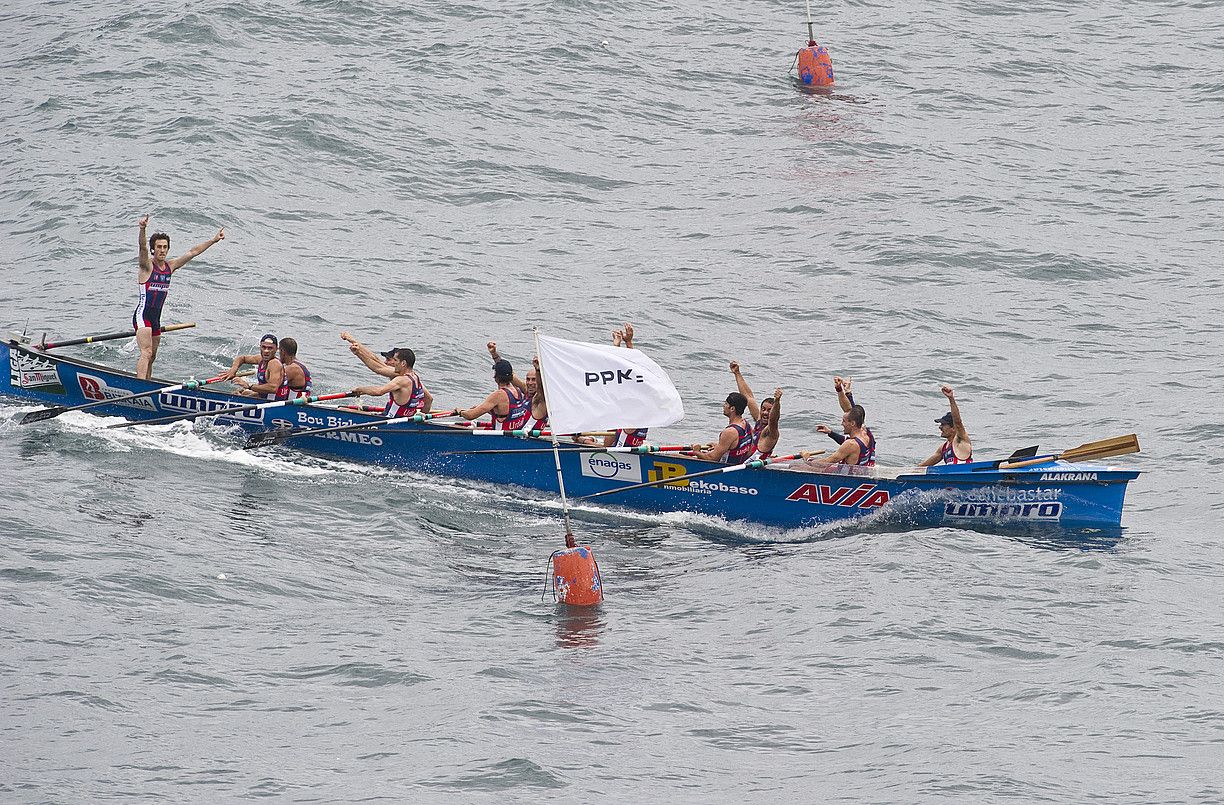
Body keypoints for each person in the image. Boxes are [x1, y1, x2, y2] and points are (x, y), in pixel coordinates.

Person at [134, 215, 224, 379]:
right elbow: (142, 248)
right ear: (153, 249)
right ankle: (139, 385)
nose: (162, 250)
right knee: (146, 353)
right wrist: (142, 229)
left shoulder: (171, 266)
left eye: (165, 247)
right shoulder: (147, 266)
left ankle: (147, 382)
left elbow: (193, 252)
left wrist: (214, 240)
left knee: (152, 357)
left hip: (156, 319)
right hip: (142, 316)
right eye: (159, 247)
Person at [351, 347, 432, 417]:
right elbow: (429, 399)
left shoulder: (401, 380)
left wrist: (360, 390)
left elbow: (379, 391)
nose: (394, 363)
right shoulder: (415, 378)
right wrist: (421, 419)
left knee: (340, 409)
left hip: (387, 421)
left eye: (396, 360)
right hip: (404, 422)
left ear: (403, 363)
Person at [455, 356, 531, 431]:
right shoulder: (517, 391)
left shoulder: (498, 395)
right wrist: (485, 409)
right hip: (514, 434)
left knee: (457, 428)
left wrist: (460, 411)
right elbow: (507, 414)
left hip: (500, 438)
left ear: (496, 376)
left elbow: (470, 415)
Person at [487, 342, 548, 430]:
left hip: (526, 440)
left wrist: (538, 370)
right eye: (528, 379)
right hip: (513, 435)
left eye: (534, 380)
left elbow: (541, 389)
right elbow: (507, 373)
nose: (530, 383)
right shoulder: (526, 391)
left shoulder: (542, 400)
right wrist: (494, 354)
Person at [729, 361, 782, 459]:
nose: (765, 413)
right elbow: (748, 397)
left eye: (769, 410)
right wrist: (737, 373)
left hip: (755, 469)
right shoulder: (759, 420)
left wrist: (777, 401)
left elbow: (773, 420)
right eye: (763, 409)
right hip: (743, 461)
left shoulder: (771, 432)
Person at [689, 392, 756, 464]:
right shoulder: (747, 425)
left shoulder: (730, 432)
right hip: (738, 466)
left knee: (677, 456)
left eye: (726, 404)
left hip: (724, 469)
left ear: (732, 409)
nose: (723, 406)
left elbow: (712, 459)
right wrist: (719, 447)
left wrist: (696, 451)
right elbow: (749, 452)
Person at [809, 404, 876, 468]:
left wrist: (807, 460)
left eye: (844, 421)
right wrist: (830, 432)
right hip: (862, 472)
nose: (842, 424)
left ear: (852, 423)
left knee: (806, 466)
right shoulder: (867, 433)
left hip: (848, 478)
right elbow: (847, 441)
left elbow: (826, 463)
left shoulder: (851, 444)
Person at [920, 385, 972, 466]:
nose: (940, 427)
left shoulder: (961, 440)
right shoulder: (943, 448)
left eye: (943, 424)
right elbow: (923, 466)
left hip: (966, 475)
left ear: (953, 428)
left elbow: (958, 422)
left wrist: (951, 399)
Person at [222, 333, 283, 399]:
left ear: (276, 349)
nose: (266, 351)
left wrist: (249, 386)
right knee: (240, 393)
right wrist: (233, 371)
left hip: (272, 403)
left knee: (238, 395)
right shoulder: (260, 359)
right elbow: (242, 358)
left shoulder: (274, 364)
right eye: (264, 347)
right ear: (260, 347)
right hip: (263, 396)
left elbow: (273, 388)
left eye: (270, 348)